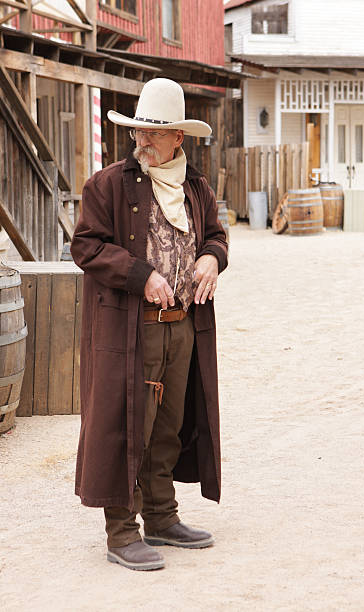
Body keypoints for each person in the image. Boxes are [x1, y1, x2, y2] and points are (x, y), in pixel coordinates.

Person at [70, 78, 228, 571]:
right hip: (129, 329)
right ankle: (121, 532)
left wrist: (211, 259)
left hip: (183, 325)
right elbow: (86, 247)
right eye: (138, 132)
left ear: (178, 138)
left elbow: (218, 236)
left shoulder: (197, 187)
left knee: (168, 426)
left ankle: (161, 516)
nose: (141, 142)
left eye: (153, 135)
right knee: (126, 425)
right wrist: (141, 276)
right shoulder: (107, 184)